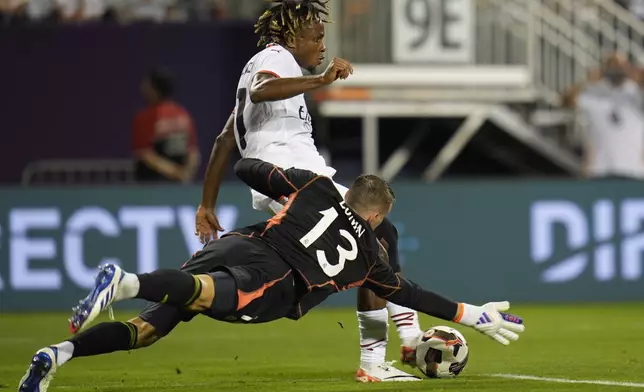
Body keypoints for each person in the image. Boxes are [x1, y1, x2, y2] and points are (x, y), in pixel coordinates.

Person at [18, 158, 525, 392]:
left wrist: (285, 183)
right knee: (201, 297)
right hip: (277, 279)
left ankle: (57, 354)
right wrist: (471, 313)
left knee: (151, 329)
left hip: (242, 239)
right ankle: (125, 282)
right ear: (375, 216)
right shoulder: (372, 253)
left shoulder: (316, 186)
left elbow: (247, 169)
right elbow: (409, 292)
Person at [193, 0, 423, 381]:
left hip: (294, 176)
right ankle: (385, 354)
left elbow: (222, 140)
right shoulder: (277, 58)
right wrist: (322, 80)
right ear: (289, 36)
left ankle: (401, 342)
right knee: (373, 239)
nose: (322, 46)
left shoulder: (263, 68)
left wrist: (206, 204)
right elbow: (262, 90)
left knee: (380, 236)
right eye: (316, 37)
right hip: (292, 177)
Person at [131, 68, 200, 183]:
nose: (143, 89)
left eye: (146, 85)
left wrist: (175, 173)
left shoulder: (145, 117)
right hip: (178, 185)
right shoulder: (183, 114)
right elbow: (193, 154)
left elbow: (145, 154)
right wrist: (185, 175)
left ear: (153, 89)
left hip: (152, 187)